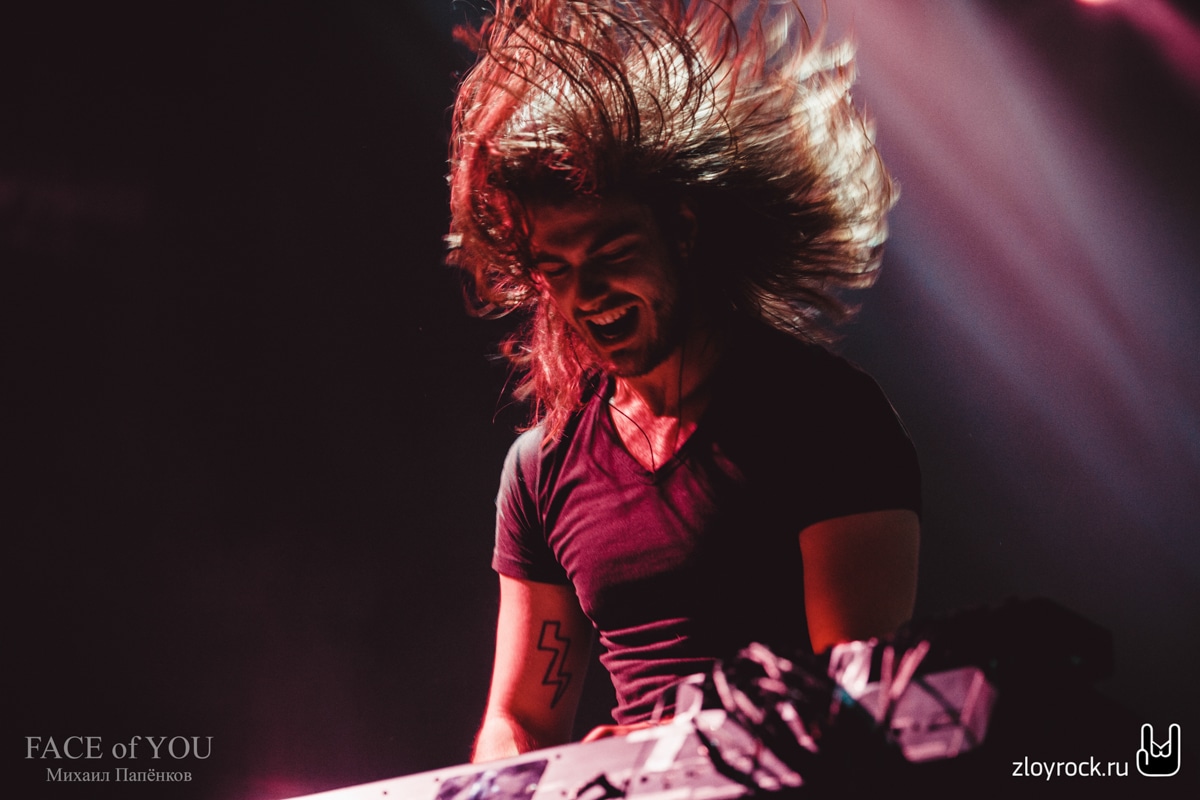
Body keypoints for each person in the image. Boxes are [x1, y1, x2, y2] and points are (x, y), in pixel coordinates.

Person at [446, 0, 920, 762]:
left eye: (611, 254)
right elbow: (521, 720)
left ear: (684, 230)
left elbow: (853, 703)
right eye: (556, 269)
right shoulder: (540, 470)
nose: (585, 294)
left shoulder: (828, 417)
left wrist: (664, 750)